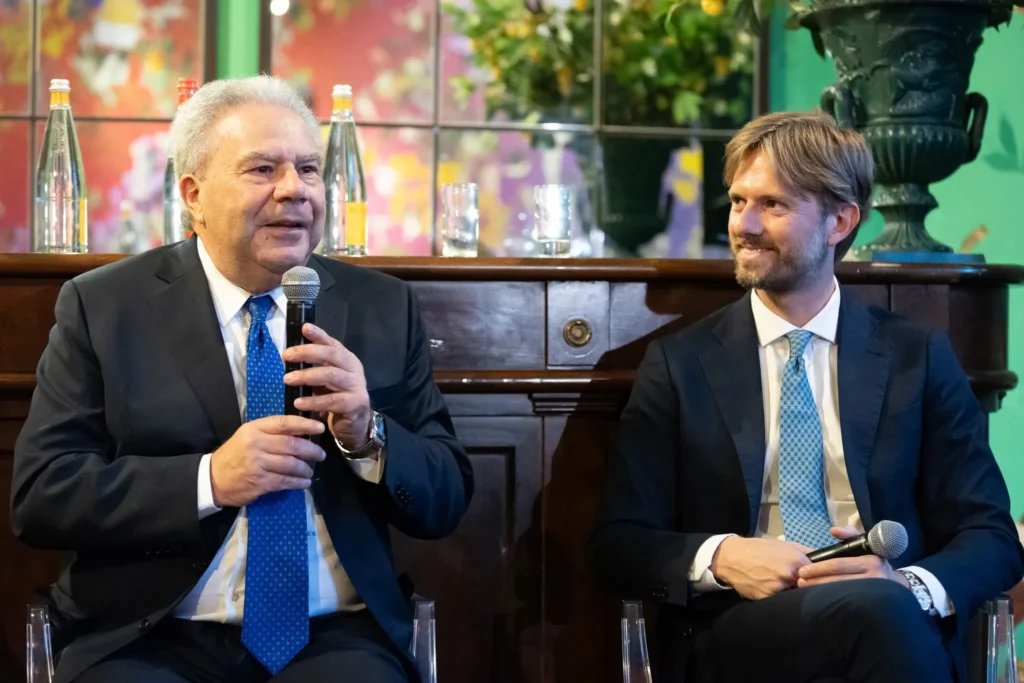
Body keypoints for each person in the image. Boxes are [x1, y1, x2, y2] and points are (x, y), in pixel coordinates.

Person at [11, 75, 473, 683]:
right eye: (262, 170)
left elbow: (445, 498)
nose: (294, 191)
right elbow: (43, 495)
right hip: (150, 635)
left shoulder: (381, 307)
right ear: (193, 195)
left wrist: (369, 434)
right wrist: (210, 480)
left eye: (308, 170)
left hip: (335, 636)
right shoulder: (105, 307)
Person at [588, 110, 1023, 683]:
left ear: (842, 220)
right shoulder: (680, 363)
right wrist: (721, 556)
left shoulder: (916, 356)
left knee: (882, 610)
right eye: (739, 200)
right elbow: (616, 543)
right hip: (741, 630)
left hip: (892, 624)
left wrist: (908, 585)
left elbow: (992, 536)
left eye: (773, 205)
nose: (743, 225)